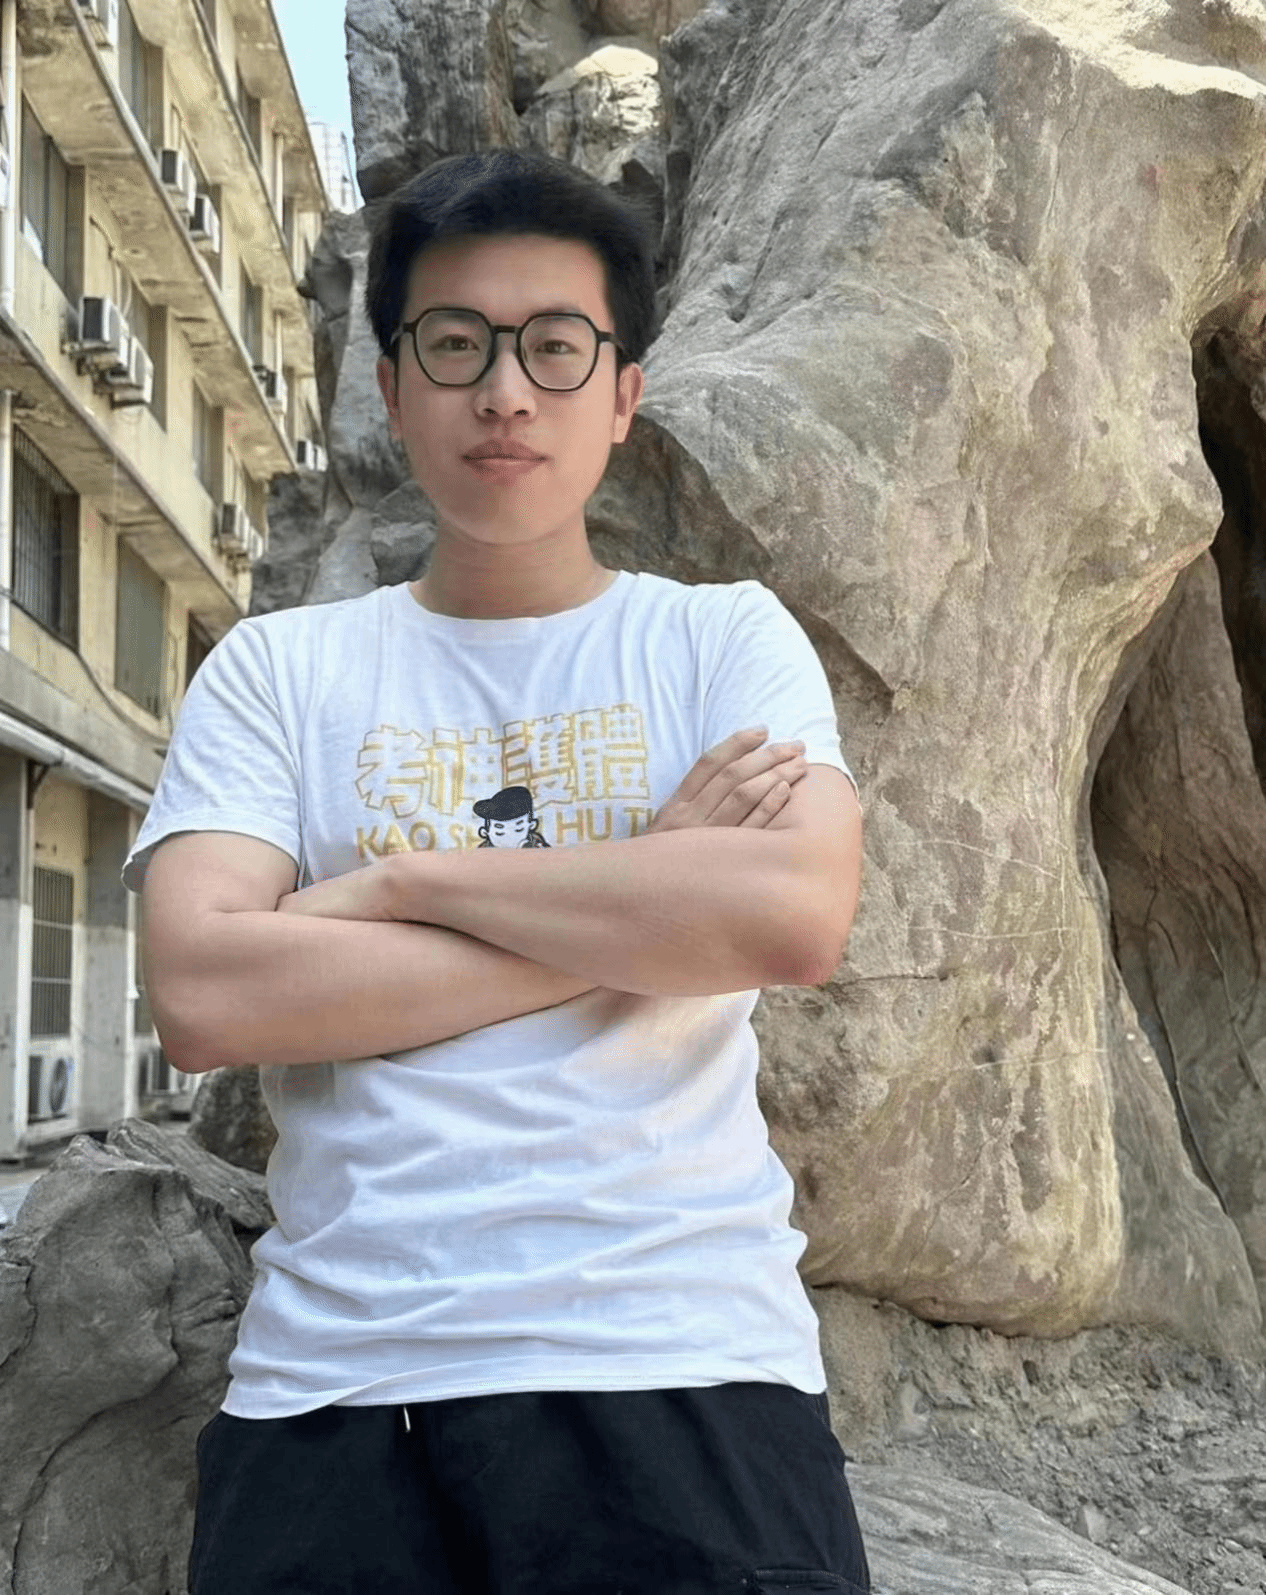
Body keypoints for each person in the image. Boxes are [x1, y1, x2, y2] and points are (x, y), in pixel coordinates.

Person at [124, 147, 868, 1594]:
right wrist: (648, 890)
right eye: (456, 345)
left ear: (624, 393)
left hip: (685, 1369)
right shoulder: (282, 669)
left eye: (555, 347)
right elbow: (208, 993)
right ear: (393, 388)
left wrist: (400, 885)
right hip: (341, 1389)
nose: (506, 392)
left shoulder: (721, 639)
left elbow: (788, 916)